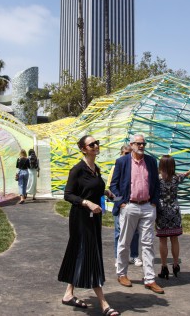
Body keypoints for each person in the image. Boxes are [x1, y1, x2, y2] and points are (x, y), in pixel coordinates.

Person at [57, 135, 119, 316]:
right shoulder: (77, 170)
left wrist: (106, 191)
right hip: (81, 218)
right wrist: (87, 203)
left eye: (97, 143)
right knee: (91, 255)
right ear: (84, 149)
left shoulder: (95, 169)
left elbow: (94, 188)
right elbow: (68, 195)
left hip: (94, 218)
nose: (96, 146)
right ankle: (104, 304)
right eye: (92, 144)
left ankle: (68, 294)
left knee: (80, 253)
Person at [110, 133, 164, 294]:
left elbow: (156, 183)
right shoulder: (122, 162)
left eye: (143, 144)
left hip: (147, 206)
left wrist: (154, 201)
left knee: (148, 244)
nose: (141, 146)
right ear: (132, 144)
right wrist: (121, 203)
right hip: (130, 206)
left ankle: (149, 279)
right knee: (124, 241)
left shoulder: (151, 161)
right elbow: (114, 185)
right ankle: (122, 274)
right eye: (138, 144)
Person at [156, 155, 190, 280]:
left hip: (162, 211)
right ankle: (175, 264)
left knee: (163, 240)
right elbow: (185, 175)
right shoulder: (176, 178)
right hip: (174, 210)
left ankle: (164, 267)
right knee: (174, 238)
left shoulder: (157, 179)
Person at [107, 145, 140, 266]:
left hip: (133, 204)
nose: (128, 155)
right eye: (126, 153)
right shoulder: (116, 166)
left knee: (135, 232)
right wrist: (120, 203)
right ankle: (118, 257)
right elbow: (112, 186)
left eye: (129, 153)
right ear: (121, 153)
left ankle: (134, 255)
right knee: (118, 232)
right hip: (121, 204)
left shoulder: (135, 166)